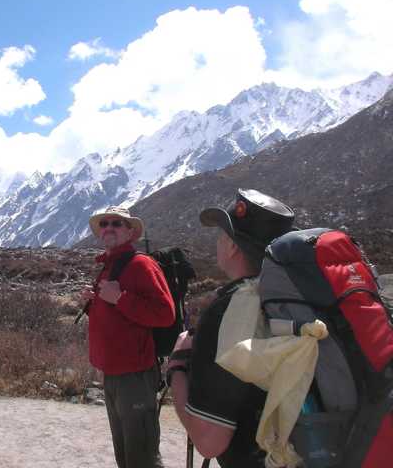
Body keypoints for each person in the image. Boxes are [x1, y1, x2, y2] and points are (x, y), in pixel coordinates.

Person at [167, 189, 295, 468]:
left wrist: (176, 367)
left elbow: (209, 442)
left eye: (221, 234)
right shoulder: (293, 300)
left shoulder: (230, 311)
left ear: (233, 246)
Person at [82, 206, 175, 468]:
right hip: (113, 372)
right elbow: (117, 316)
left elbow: (164, 314)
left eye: (117, 223)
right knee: (125, 453)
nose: (108, 227)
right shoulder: (110, 264)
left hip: (134, 374)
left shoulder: (141, 264)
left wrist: (120, 298)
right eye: (104, 224)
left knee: (141, 455)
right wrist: (92, 303)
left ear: (131, 232)